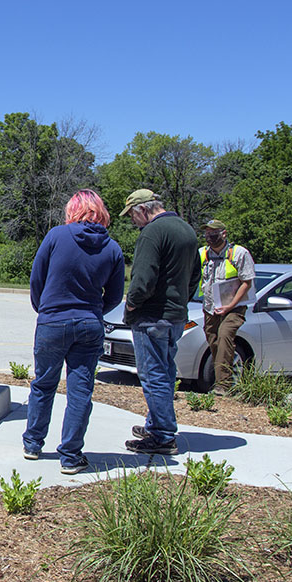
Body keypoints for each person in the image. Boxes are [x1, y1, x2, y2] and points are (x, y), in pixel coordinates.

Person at [22, 190, 125, 474]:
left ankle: (33, 443)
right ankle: (70, 454)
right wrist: (93, 312)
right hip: (90, 323)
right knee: (81, 391)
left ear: (73, 210)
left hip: (52, 320)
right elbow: (115, 296)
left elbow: (37, 279)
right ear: (100, 212)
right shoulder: (113, 248)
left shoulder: (56, 236)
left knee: (44, 384)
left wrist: (44, 309)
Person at [120, 189, 201, 455]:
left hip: (152, 316)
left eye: (132, 214)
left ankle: (163, 436)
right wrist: (179, 302)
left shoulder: (153, 232)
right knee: (165, 371)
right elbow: (194, 277)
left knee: (152, 374)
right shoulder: (186, 230)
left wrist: (131, 305)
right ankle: (156, 424)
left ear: (143, 209)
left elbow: (142, 279)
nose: (133, 220)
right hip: (176, 316)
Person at [198, 219, 256, 395]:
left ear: (224, 233)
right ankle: (222, 379)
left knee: (224, 336)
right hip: (210, 307)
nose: (210, 237)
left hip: (234, 307)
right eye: (207, 233)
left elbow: (247, 282)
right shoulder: (202, 254)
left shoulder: (239, 253)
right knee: (214, 342)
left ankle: (223, 386)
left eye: (214, 233)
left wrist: (230, 305)